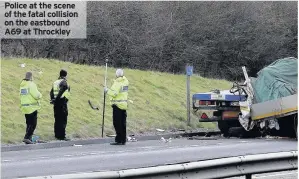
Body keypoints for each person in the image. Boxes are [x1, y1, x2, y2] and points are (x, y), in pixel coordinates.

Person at [105, 69, 129, 145]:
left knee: (117, 123)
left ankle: (119, 139)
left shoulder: (117, 83)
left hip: (117, 105)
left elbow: (114, 94)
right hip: (124, 105)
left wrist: (107, 90)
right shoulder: (125, 81)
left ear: (116, 75)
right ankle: (123, 139)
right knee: (123, 123)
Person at [19, 72, 42, 144]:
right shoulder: (31, 84)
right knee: (33, 124)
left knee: (28, 123)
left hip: (25, 107)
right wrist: (40, 95)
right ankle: (26, 137)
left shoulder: (22, 85)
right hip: (32, 107)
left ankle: (29, 138)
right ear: (31, 77)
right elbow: (36, 95)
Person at [50, 69, 71, 141]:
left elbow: (51, 92)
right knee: (63, 119)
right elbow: (61, 92)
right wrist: (57, 99)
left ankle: (57, 135)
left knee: (57, 119)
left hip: (56, 104)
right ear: (65, 75)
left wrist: (53, 100)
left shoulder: (55, 82)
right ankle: (62, 136)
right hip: (62, 103)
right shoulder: (64, 82)